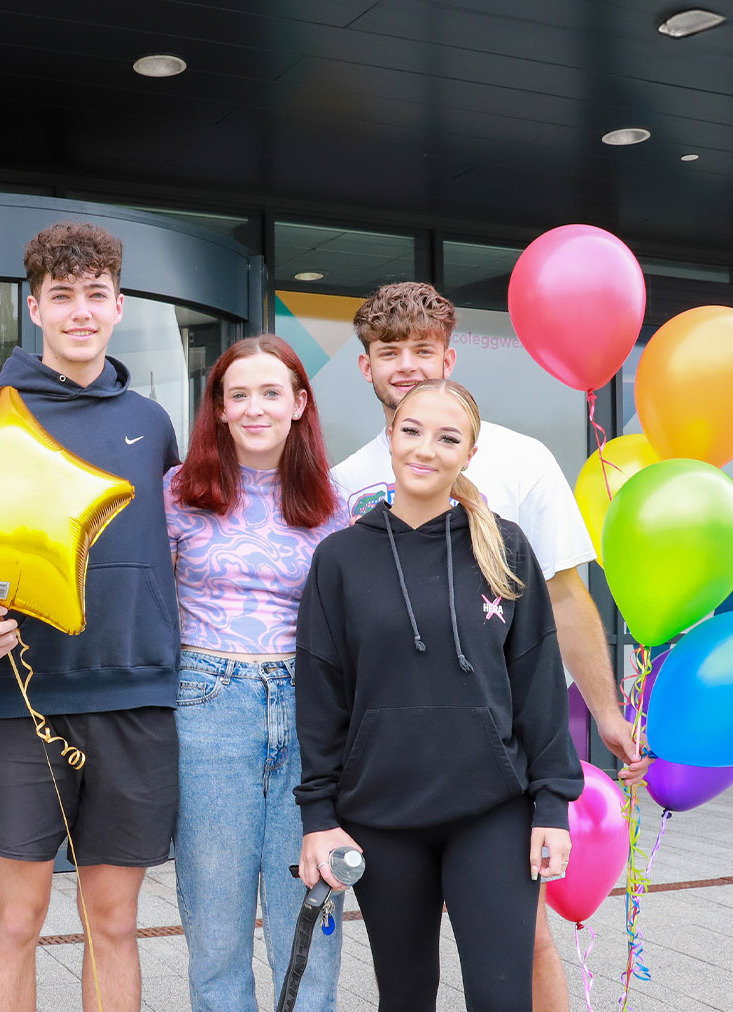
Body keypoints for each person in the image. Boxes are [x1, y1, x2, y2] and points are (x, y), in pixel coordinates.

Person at [331, 281, 648, 1010]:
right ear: (366, 369)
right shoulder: (347, 479)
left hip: (497, 762)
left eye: (421, 350)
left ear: (448, 355)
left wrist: (604, 714)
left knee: (522, 944)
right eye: (388, 353)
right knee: (404, 971)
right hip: (394, 775)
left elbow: (565, 598)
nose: (406, 366)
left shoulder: (521, 458)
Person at [0, 221, 181, 1012]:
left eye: (94, 296)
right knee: (14, 919)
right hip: (23, 706)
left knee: (113, 921)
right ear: (35, 309)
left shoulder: (151, 423)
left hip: (135, 702)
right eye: (61, 296)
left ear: (117, 306)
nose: (79, 311)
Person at [296, 378, 584, 1011]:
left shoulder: (503, 547)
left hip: (492, 812)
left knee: (501, 996)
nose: (426, 449)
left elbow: (537, 682)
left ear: (469, 454)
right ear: (391, 438)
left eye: (447, 437)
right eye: (412, 431)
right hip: (380, 815)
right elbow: (321, 696)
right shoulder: (341, 558)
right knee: (404, 999)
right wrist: (319, 817)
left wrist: (553, 805)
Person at [164, 335, 347, 1012]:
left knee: (310, 920)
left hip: (305, 713)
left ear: (299, 403)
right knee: (216, 932)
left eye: (270, 392)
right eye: (236, 394)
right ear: (217, 406)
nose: (253, 407)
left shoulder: (336, 506)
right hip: (207, 708)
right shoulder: (178, 492)